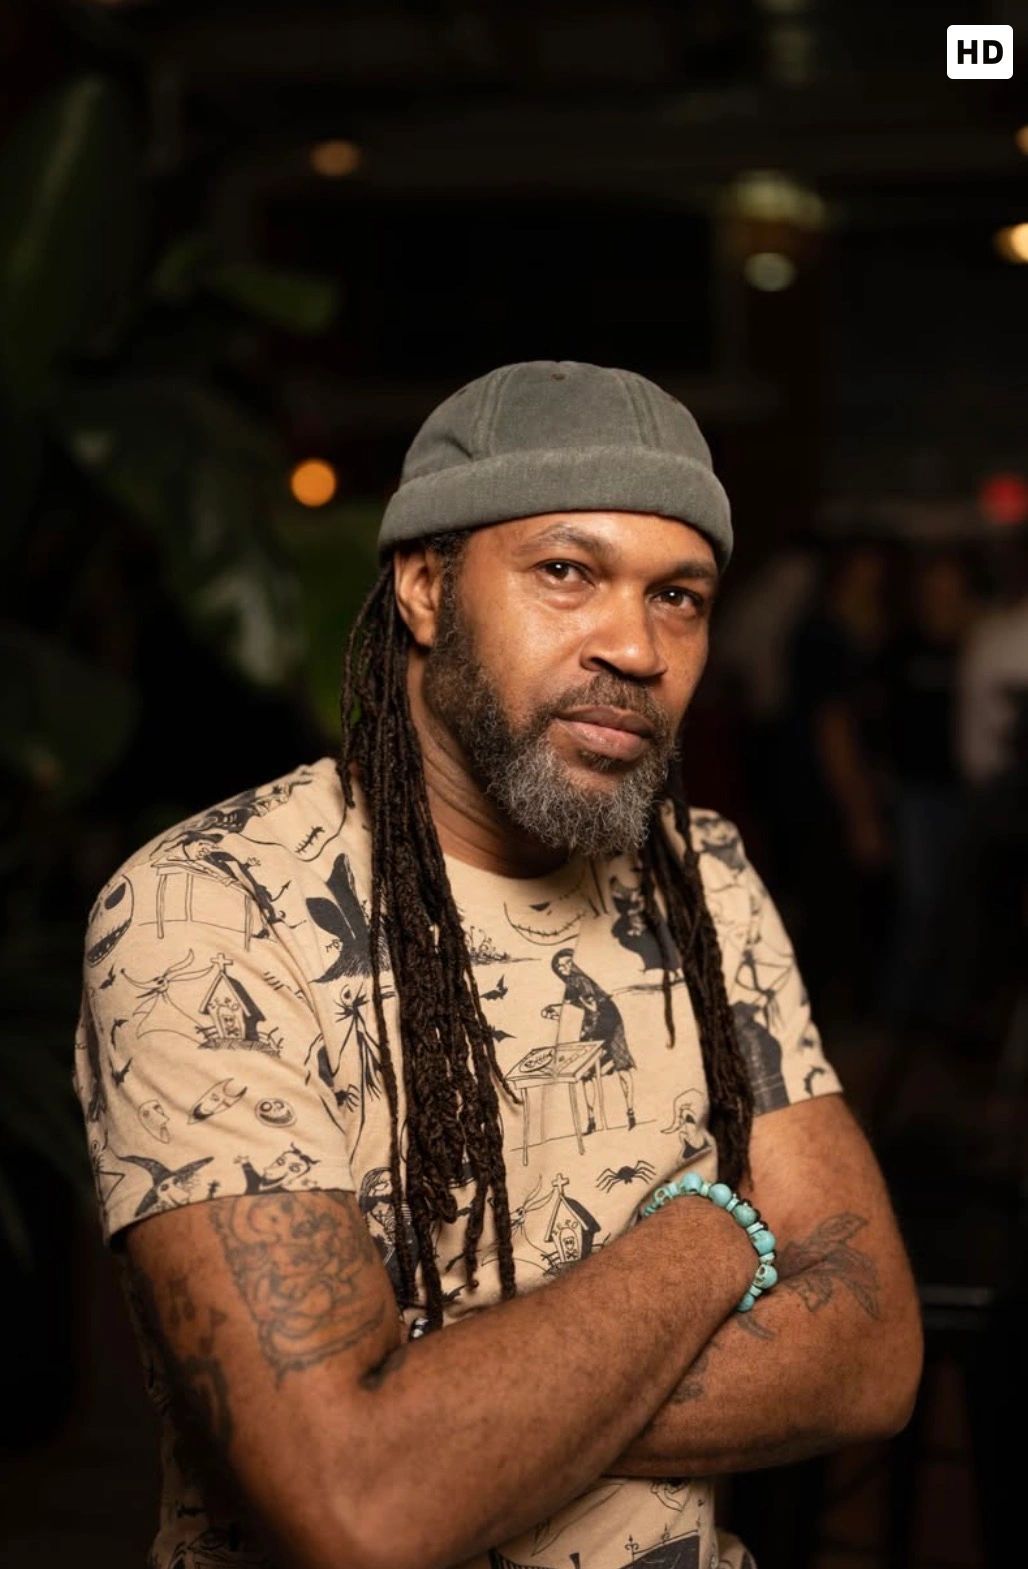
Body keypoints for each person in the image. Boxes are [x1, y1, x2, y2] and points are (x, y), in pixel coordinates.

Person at [74, 361, 922, 1569]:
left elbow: (874, 1355)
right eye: (565, 572)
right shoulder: (210, 911)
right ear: (425, 588)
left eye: (676, 596)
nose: (634, 645)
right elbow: (361, 1504)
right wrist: (715, 1233)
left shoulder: (702, 874)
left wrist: (451, 1411)